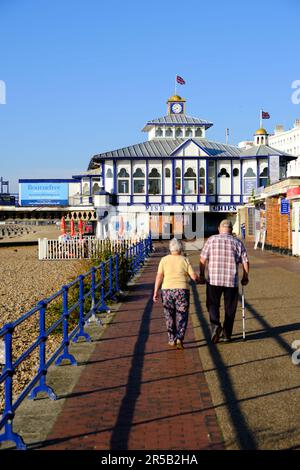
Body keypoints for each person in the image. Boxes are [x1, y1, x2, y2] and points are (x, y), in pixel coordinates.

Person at [199, 219, 249, 343]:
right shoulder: (238, 242)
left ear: (219, 229)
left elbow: (202, 259)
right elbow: (245, 261)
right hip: (231, 281)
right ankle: (227, 334)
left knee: (212, 304)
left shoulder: (211, 240)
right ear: (231, 230)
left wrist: (201, 274)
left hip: (214, 279)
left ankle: (215, 325)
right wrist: (245, 276)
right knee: (230, 308)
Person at [153, 238, 199, 349]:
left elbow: (159, 276)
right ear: (181, 248)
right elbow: (193, 277)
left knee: (169, 315)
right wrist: (200, 279)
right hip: (182, 291)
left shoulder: (164, 260)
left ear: (170, 248)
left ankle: (171, 339)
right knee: (182, 315)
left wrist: (155, 292)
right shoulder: (185, 260)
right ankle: (179, 338)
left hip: (167, 291)